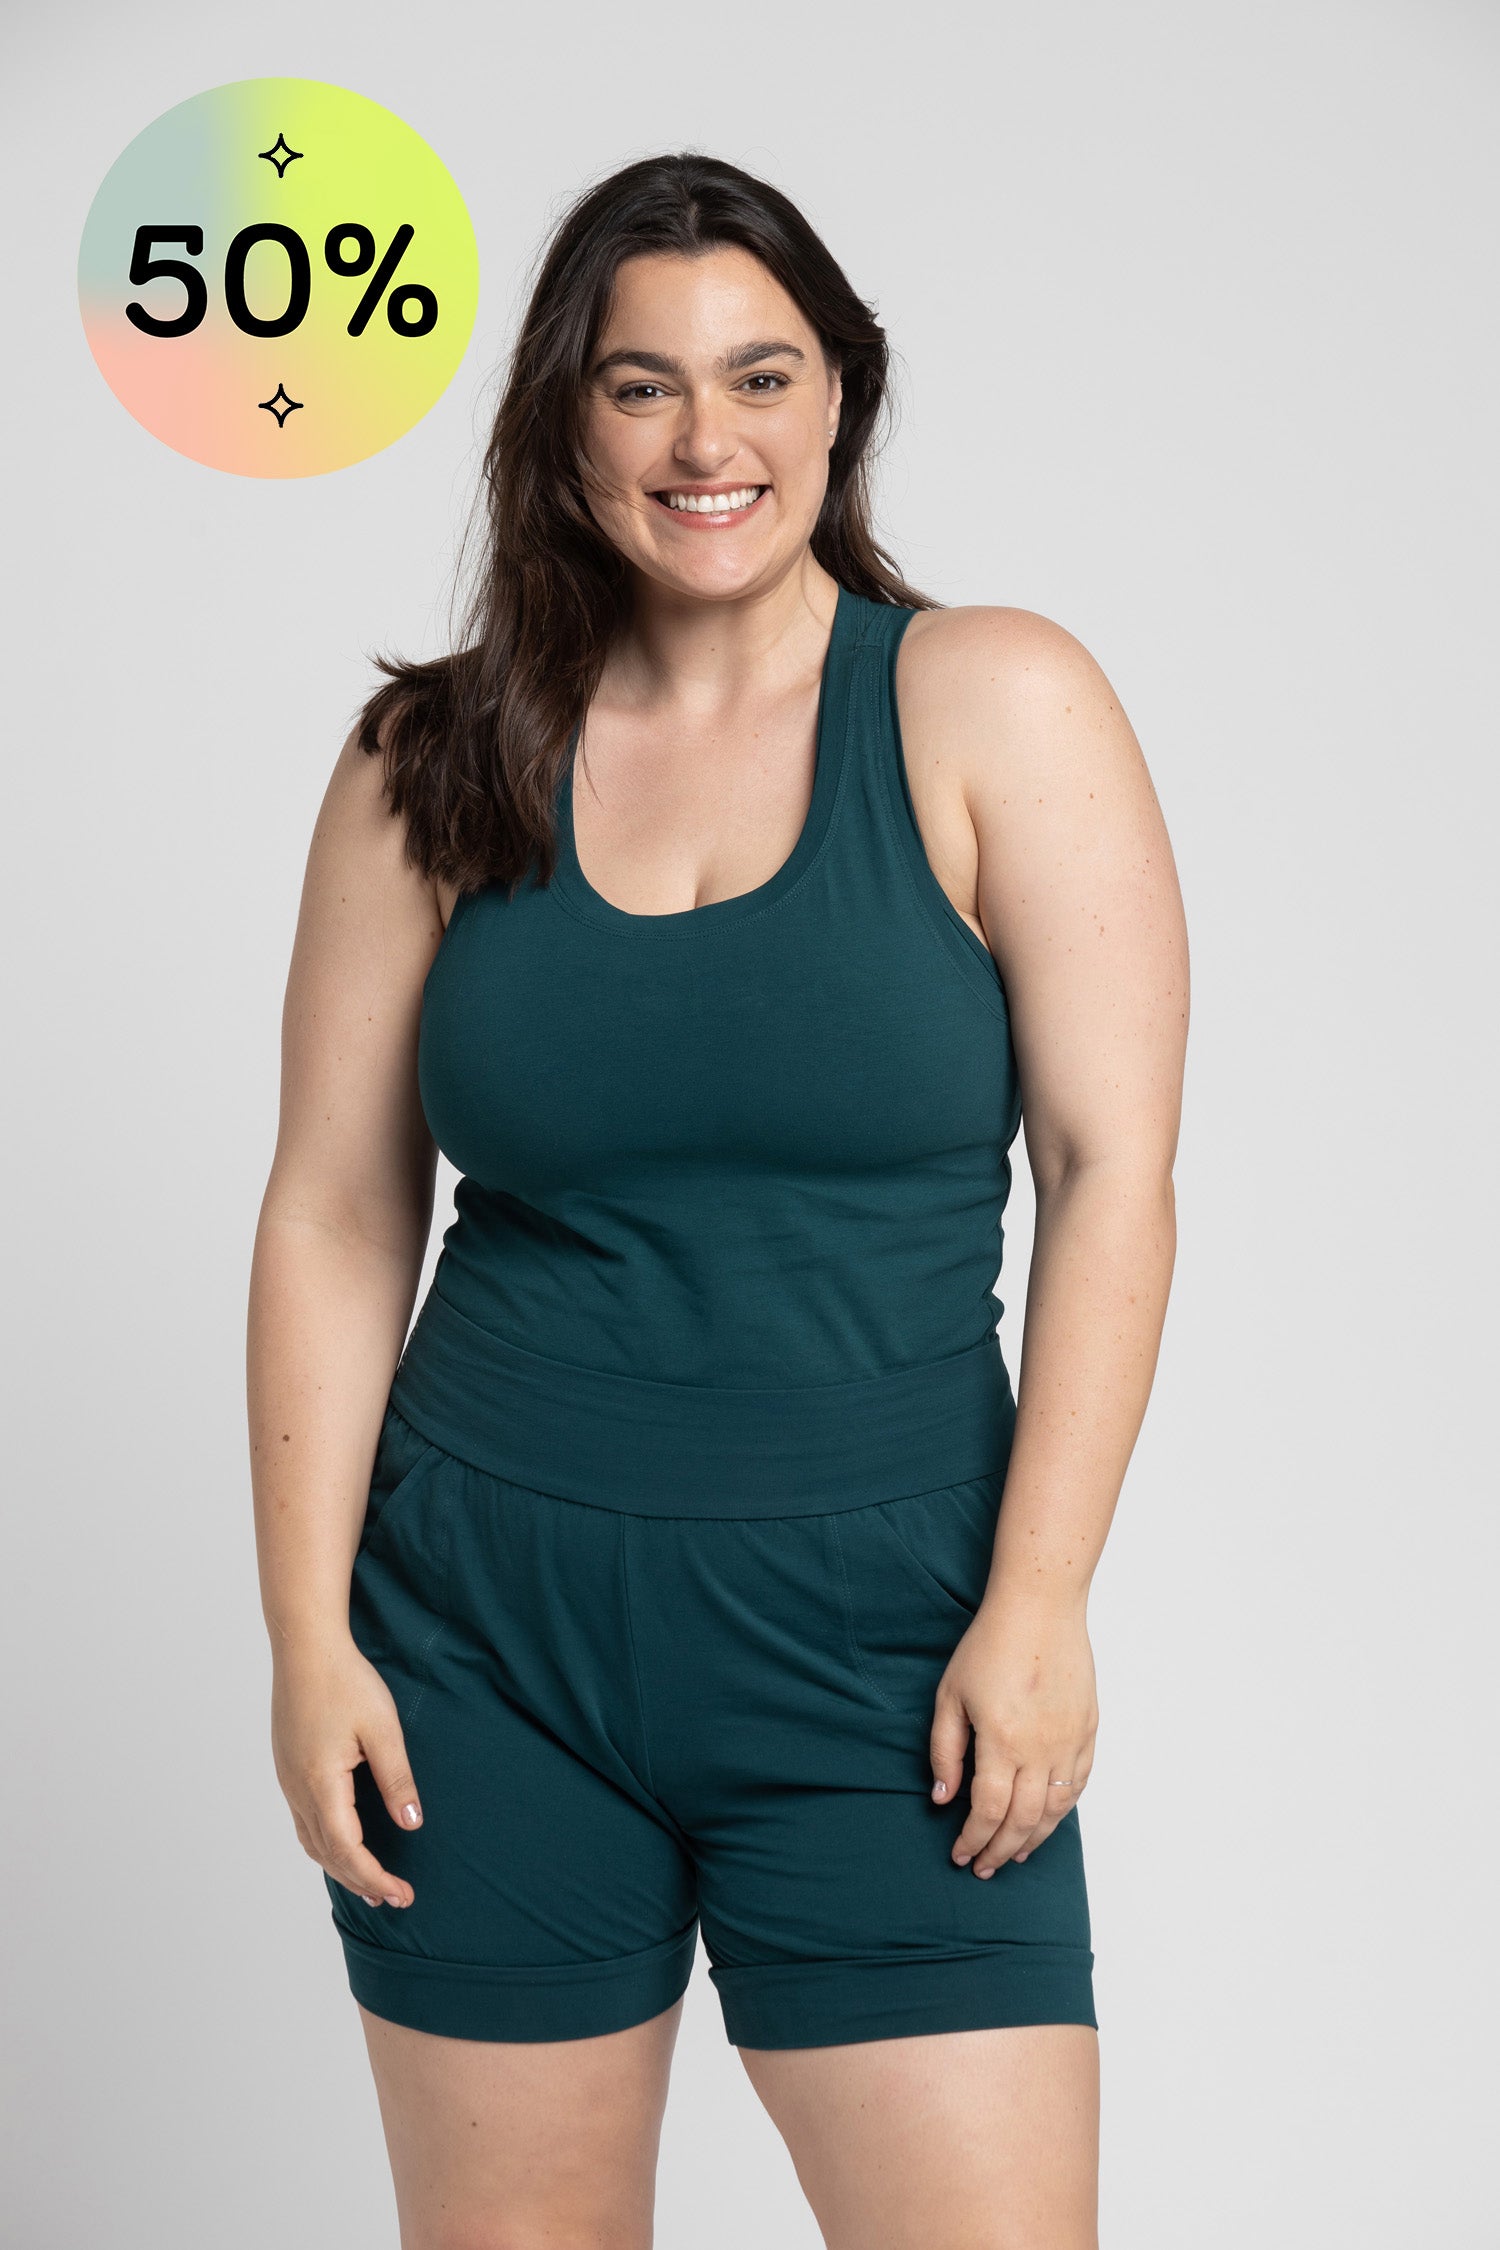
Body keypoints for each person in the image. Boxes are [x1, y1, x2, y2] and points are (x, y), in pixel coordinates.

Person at [248, 150, 1188, 2250]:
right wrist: (306, 1639)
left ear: (840, 394)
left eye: (761, 376)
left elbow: (1112, 1173)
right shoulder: (429, 761)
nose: (707, 440)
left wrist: (1039, 1599)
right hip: (482, 1640)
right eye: (641, 384)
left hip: (895, 1641)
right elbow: (333, 1210)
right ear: (564, 419)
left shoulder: (989, 700)